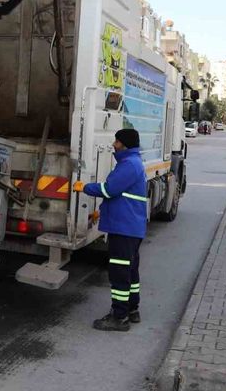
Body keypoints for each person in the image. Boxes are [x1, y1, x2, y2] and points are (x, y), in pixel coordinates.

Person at [73, 128, 148, 332]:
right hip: (130, 227)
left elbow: (109, 189)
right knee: (130, 271)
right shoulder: (132, 163)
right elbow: (120, 196)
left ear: (124, 144)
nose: (114, 144)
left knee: (119, 272)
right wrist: (100, 212)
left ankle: (119, 317)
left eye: (117, 141)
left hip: (124, 228)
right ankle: (132, 311)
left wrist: (84, 187)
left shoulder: (129, 165)